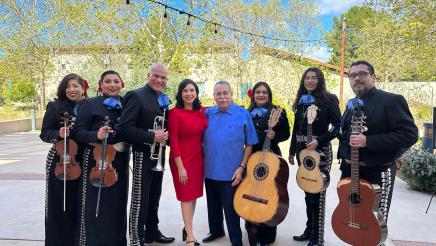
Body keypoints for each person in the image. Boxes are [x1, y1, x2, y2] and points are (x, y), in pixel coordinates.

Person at [337, 60, 418, 224]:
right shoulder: (351, 104)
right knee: (350, 220)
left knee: (373, 226)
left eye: (362, 74)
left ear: (373, 77)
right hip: (349, 172)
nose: (357, 78)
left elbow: (410, 135)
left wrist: (368, 140)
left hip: (376, 174)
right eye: (352, 75)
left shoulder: (391, 100)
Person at [118, 63, 175, 246]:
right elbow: (124, 129)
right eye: (156, 76)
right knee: (140, 198)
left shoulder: (162, 99)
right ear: (148, 75)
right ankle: (136, 237)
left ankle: (152, 232)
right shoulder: (136, 96)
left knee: (154, 196)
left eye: (163, 78)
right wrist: (152, 136)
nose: (159, 80)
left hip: (158, 156)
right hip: (143, 154)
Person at [74, 70, 130, 246]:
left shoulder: (127, 104)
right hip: (96, 160)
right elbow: (77, 132)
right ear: (101, 84)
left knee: (118, 204)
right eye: (108, 81)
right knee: (94, 205)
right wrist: (96, 135)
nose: (112, 85)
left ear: (122, 84)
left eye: (116, 81)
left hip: (119, 160)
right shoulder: (89, 104)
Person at [202, 80, 258, 246]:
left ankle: (236, 240)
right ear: (214, 96)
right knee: (212, 206)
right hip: (210, 169)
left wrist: (241, 167)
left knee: (231, 209)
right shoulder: (208, 113)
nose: (222, 97)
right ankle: (216, 230)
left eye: (225, 93)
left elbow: (250, 143)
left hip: (232, 171)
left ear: (231, 94)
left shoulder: (243, 114)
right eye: (218, 94)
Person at [289, 67, 341, 246]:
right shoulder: (301, 100)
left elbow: (338, 126)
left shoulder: (329, 99)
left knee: (318, 195)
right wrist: (291, 151)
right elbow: (296, 128)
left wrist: (320, 140)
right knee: (307, 192)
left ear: (320, 80)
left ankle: (317, 237)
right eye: (307, 78)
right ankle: (309, 229)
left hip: (320, 152)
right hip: (303, 152)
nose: (310, 81)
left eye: (314, 78)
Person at [40, 73, 88, 246]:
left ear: (83, 89)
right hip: (60, 159)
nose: (71, 90)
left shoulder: (88, 106)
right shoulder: (55, 106)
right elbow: (44, 133)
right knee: (59, 203)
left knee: (81, 203)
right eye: (68, 86)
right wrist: (57, 134)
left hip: (84, 159)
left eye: (75, 86)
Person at [245, 82, 290, 246]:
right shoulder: (246, 111)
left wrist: (275, 135)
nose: (261, 95)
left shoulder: (278, 111)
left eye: (264, 92)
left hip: (271, 156)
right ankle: (251, 225)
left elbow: (286, 133)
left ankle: (268, 231)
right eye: (258, 92)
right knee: (251, 192)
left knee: (270, 194)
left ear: (269, 94)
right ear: (253, 94)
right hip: (251, 158)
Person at [168, 79, 208, 246]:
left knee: (193, 196)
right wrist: (181, 167)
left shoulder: (202, 111)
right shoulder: (174, 113)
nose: (189, 93)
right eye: (185, 90)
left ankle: (187, 228)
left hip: (198, 158)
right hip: (181, 159)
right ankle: (190, 237)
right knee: (185, 196)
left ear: (197, 93)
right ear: (180, 93)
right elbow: (173, 141)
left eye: (192, 90)